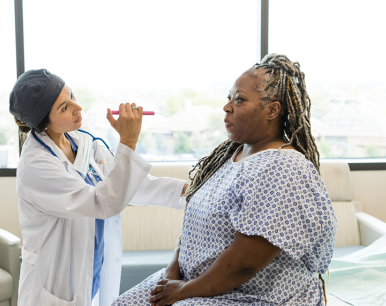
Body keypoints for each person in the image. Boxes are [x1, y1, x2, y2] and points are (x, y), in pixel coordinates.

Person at [111, 54, 337, 306]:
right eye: (229, 98)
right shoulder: (233, 154)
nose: (227, 107)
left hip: (251, 295)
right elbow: (194, 228)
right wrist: (171, 273)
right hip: (194, 283)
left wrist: (182, 291)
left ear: (272, 110)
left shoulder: (283, 167)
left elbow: (244, 264)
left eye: (239, 99)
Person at [9, 69, 189, 306]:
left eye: (71, 95)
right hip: (55, 286)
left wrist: (190, 192)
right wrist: (129, 141)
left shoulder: (85, 145)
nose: (77, 107)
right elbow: (103, 202)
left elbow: (130, 186)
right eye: (64, 107)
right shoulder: (36, 166)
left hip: (93, 272)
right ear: (43, 122)